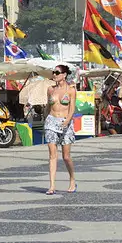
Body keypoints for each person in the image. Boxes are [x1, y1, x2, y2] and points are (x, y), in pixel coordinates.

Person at [45, 65, 77, 195]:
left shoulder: (71, 90)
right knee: (52, 155)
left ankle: (72, 179)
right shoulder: (50, 89)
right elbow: (48, 106)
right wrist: (44, 120)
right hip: (51, 122)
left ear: (64, 75)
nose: (54, 74)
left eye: (57, 72)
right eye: (53, 72)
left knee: (66, 157)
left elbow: (72, 108)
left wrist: (68, 120)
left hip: (65, 122)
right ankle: (52, 185)